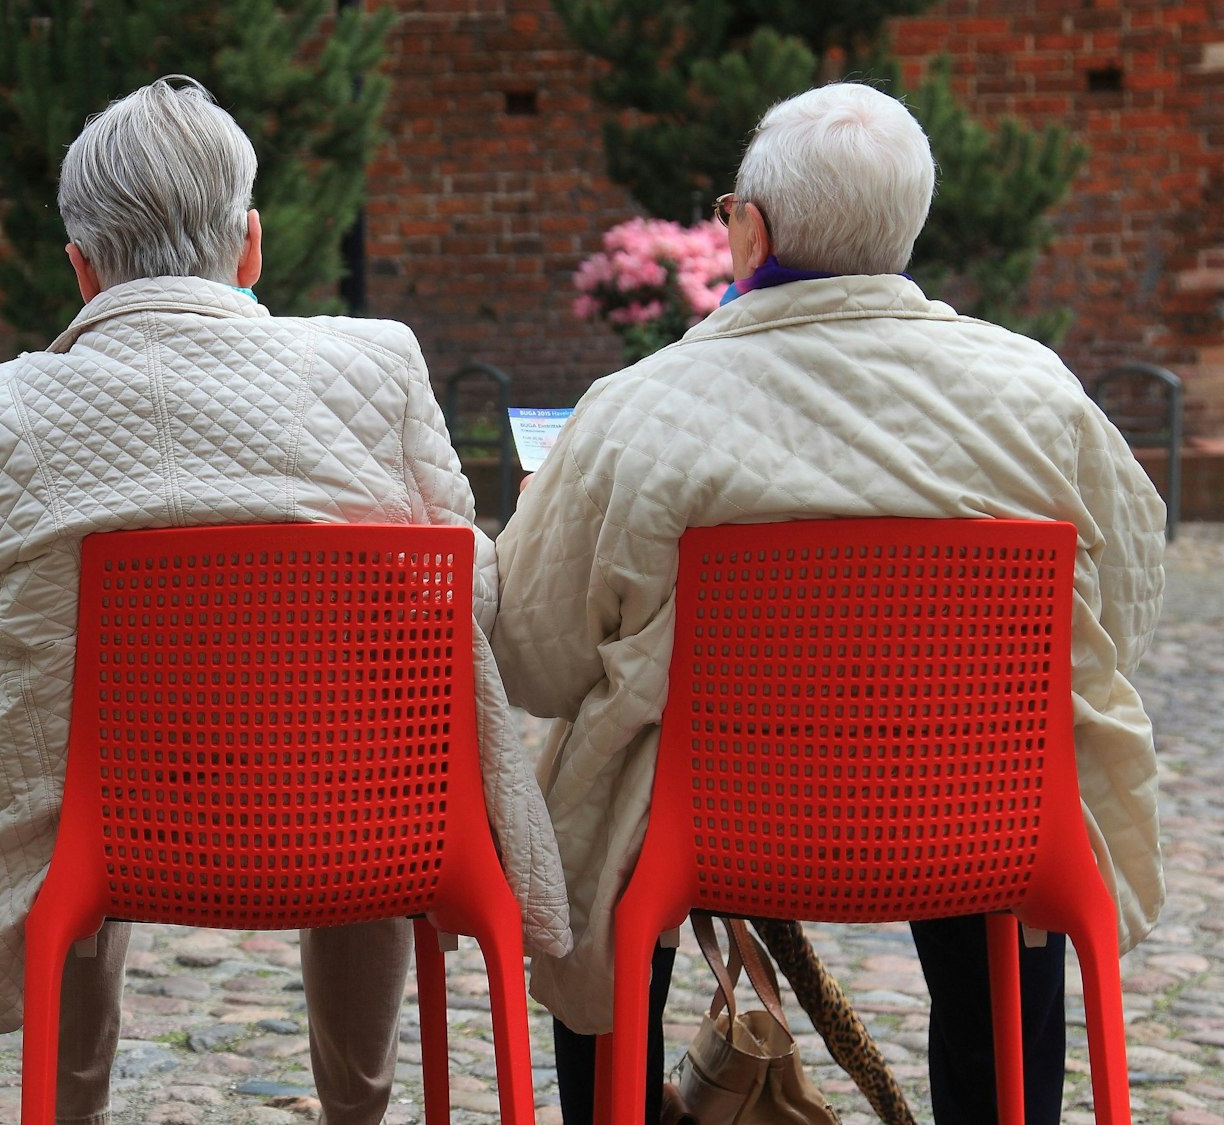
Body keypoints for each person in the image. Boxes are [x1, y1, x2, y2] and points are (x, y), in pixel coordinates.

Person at [493, 82, 1165, 1125]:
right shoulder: (1039, 398)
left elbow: (534, 662)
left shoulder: (635, 412)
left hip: (706, 824)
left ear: (747, 229)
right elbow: (1118, 613)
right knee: (999, 808)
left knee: (601, 803)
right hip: (978, 814)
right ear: (908, 226)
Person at [0, 76, 571, 1125]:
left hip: (103, 830)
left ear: (79, 268)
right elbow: (466, 593)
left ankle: (70, 1106)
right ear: (250, 245)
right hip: (358, 815)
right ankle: (359, 1107)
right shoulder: (376, 363)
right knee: (370, 735)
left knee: (58, 739)